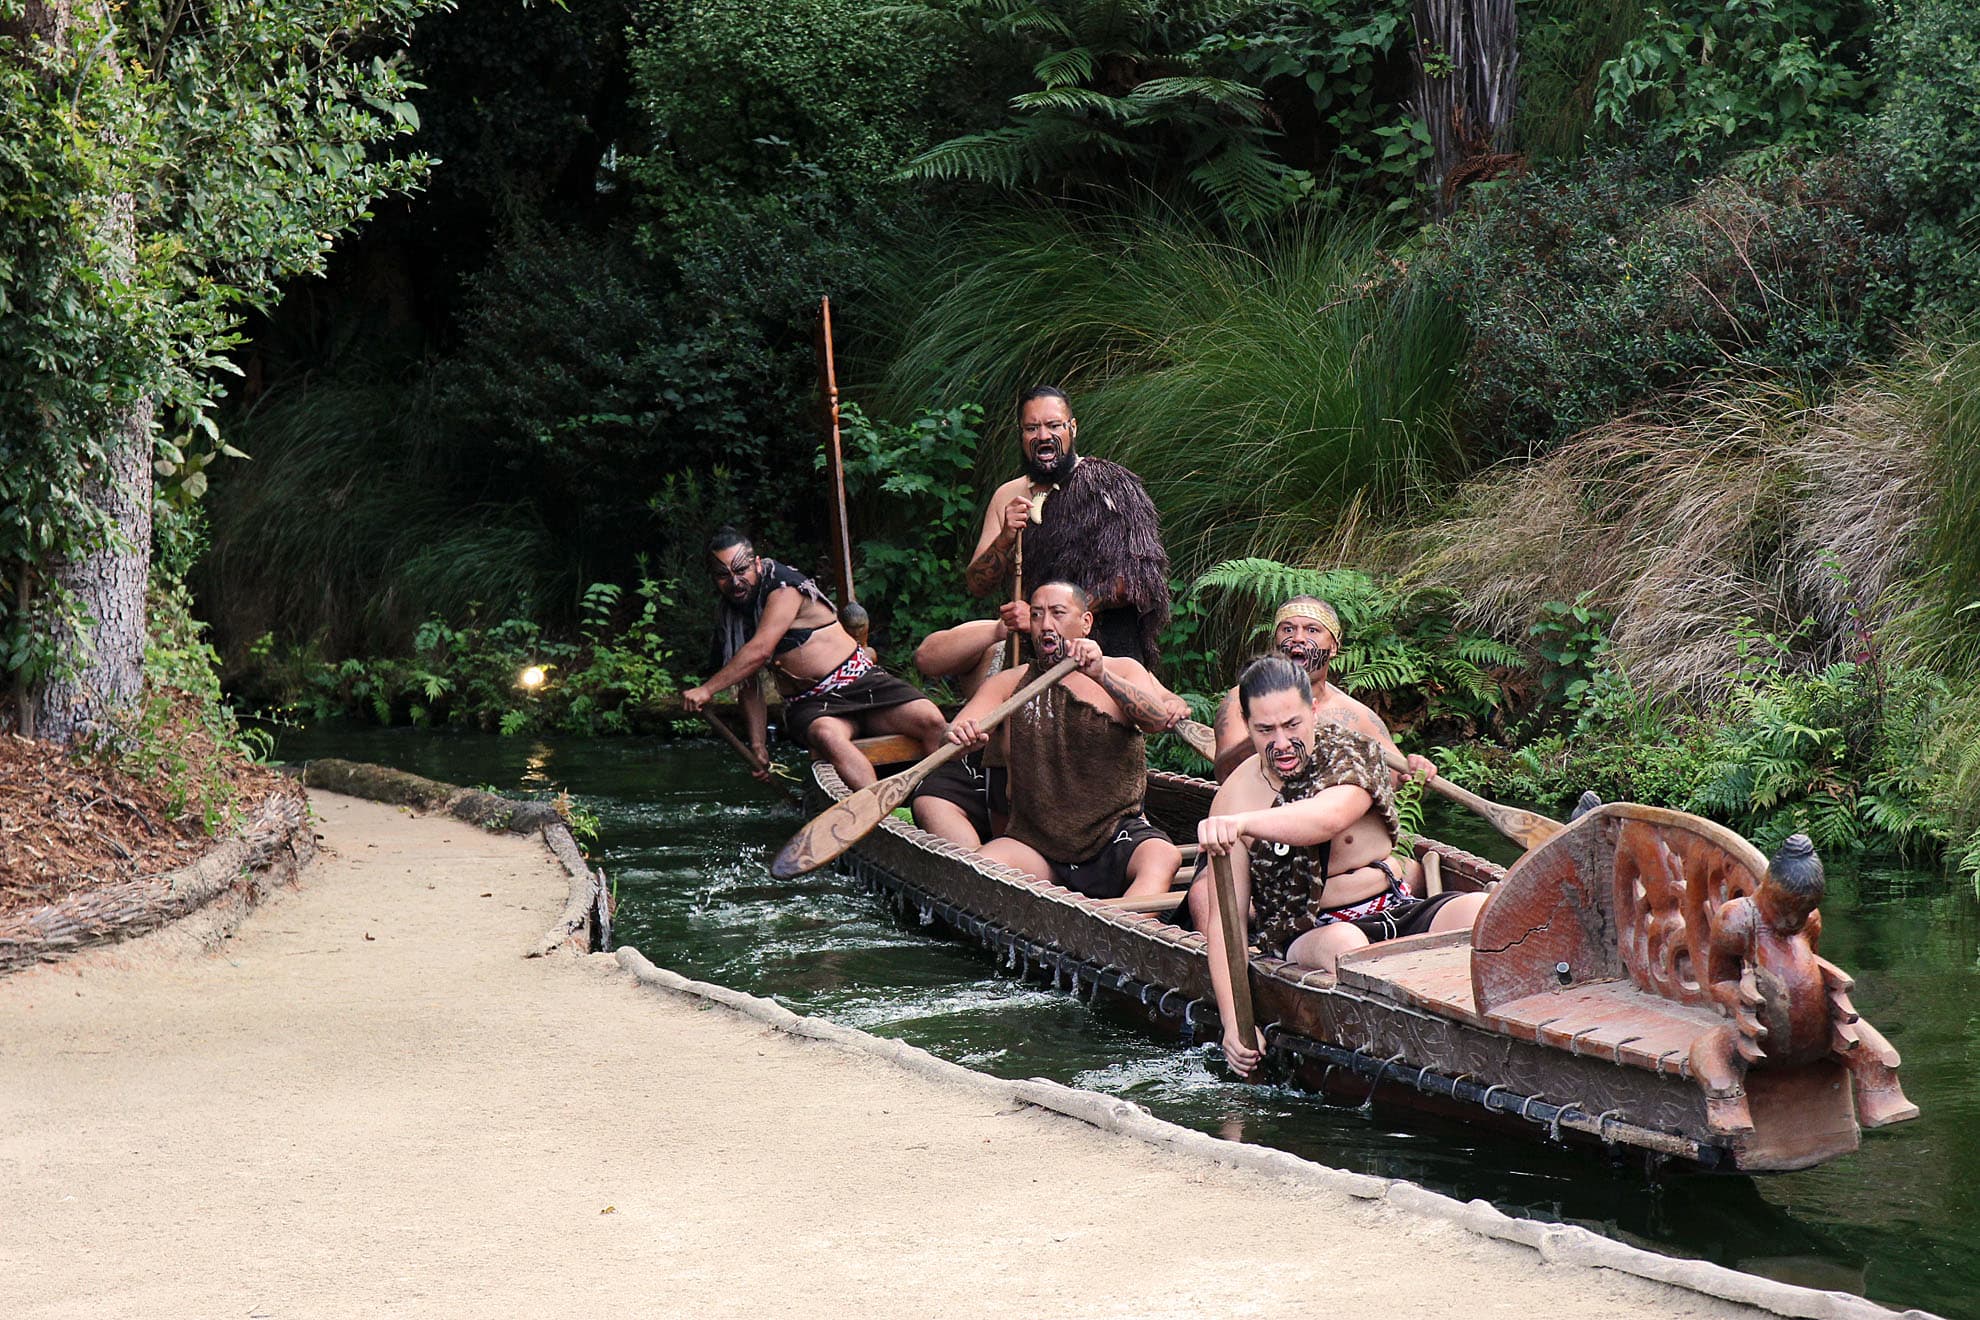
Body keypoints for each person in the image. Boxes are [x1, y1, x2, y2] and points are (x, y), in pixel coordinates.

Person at [1190, 657, 1488, 1077]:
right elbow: (1227, 922)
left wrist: (1240, 826)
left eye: (1292, 725)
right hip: (1312, 932)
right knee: (1348, 946)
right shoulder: (1235, 797)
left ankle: (1485, 1029)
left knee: (1479, 910)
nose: (1281, 742)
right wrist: (1233, 1020)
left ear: (1312, 710)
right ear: (1246, 724)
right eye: (1265, 731)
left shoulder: (1352, 752)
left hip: (1394, 906)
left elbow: (1323, 819)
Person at [946, 581, 1188, 899]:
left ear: (1086, 622)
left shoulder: (1123, 670)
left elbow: (1156, 721)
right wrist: (960, 734)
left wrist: (1101, 675)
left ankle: (1119, 934)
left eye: (1057, 613)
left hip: (1113, 834)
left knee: (1162, 856)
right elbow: (955, 732)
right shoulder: (1009, 683)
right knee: (983, 867)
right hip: (1038, 844)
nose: (1046, 624)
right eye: (1036, 615)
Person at [681, 528, 947, 791]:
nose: (735, 581)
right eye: (723, 575)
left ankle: (941, 797)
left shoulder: (783, 586)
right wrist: (759, 746)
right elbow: (749, 684)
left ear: (757, 564)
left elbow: (760, 650)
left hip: (864, 684)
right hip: (813, 705)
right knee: (827, 736)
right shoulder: (732, 616)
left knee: (931, 721)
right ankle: (881, 813)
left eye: (741, 570)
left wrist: (707, 689)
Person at [965, 386, 1170, 668]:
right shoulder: (1007, 496)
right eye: (1031, 428)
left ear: (1072, 428)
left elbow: (1138, 580)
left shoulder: (1109, 485)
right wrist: (1004, 540)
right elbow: (977, 585)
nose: (1043, 436)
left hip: (1106, 652)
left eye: (1053, 425)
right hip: (1034, 653)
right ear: (1021, 435)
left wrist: (1046, 615)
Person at [1211, 595, 1436, 787]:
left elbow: (1400, 783)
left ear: (1334, 648)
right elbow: (1226, 774)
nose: (1298, 638)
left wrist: (1417, 772)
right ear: (1275, 642)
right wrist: (1279, 731)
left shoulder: (1358, 717)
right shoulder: (1243, 698)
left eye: (1312, 630)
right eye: (1288, 629)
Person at [905, 615, 1018, 847]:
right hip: (981, 755)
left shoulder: (1084, 646)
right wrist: (997, 630)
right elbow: (926, 658)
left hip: (1049, 771)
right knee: (931, 800)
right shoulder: (998, 630)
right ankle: (977, 873)